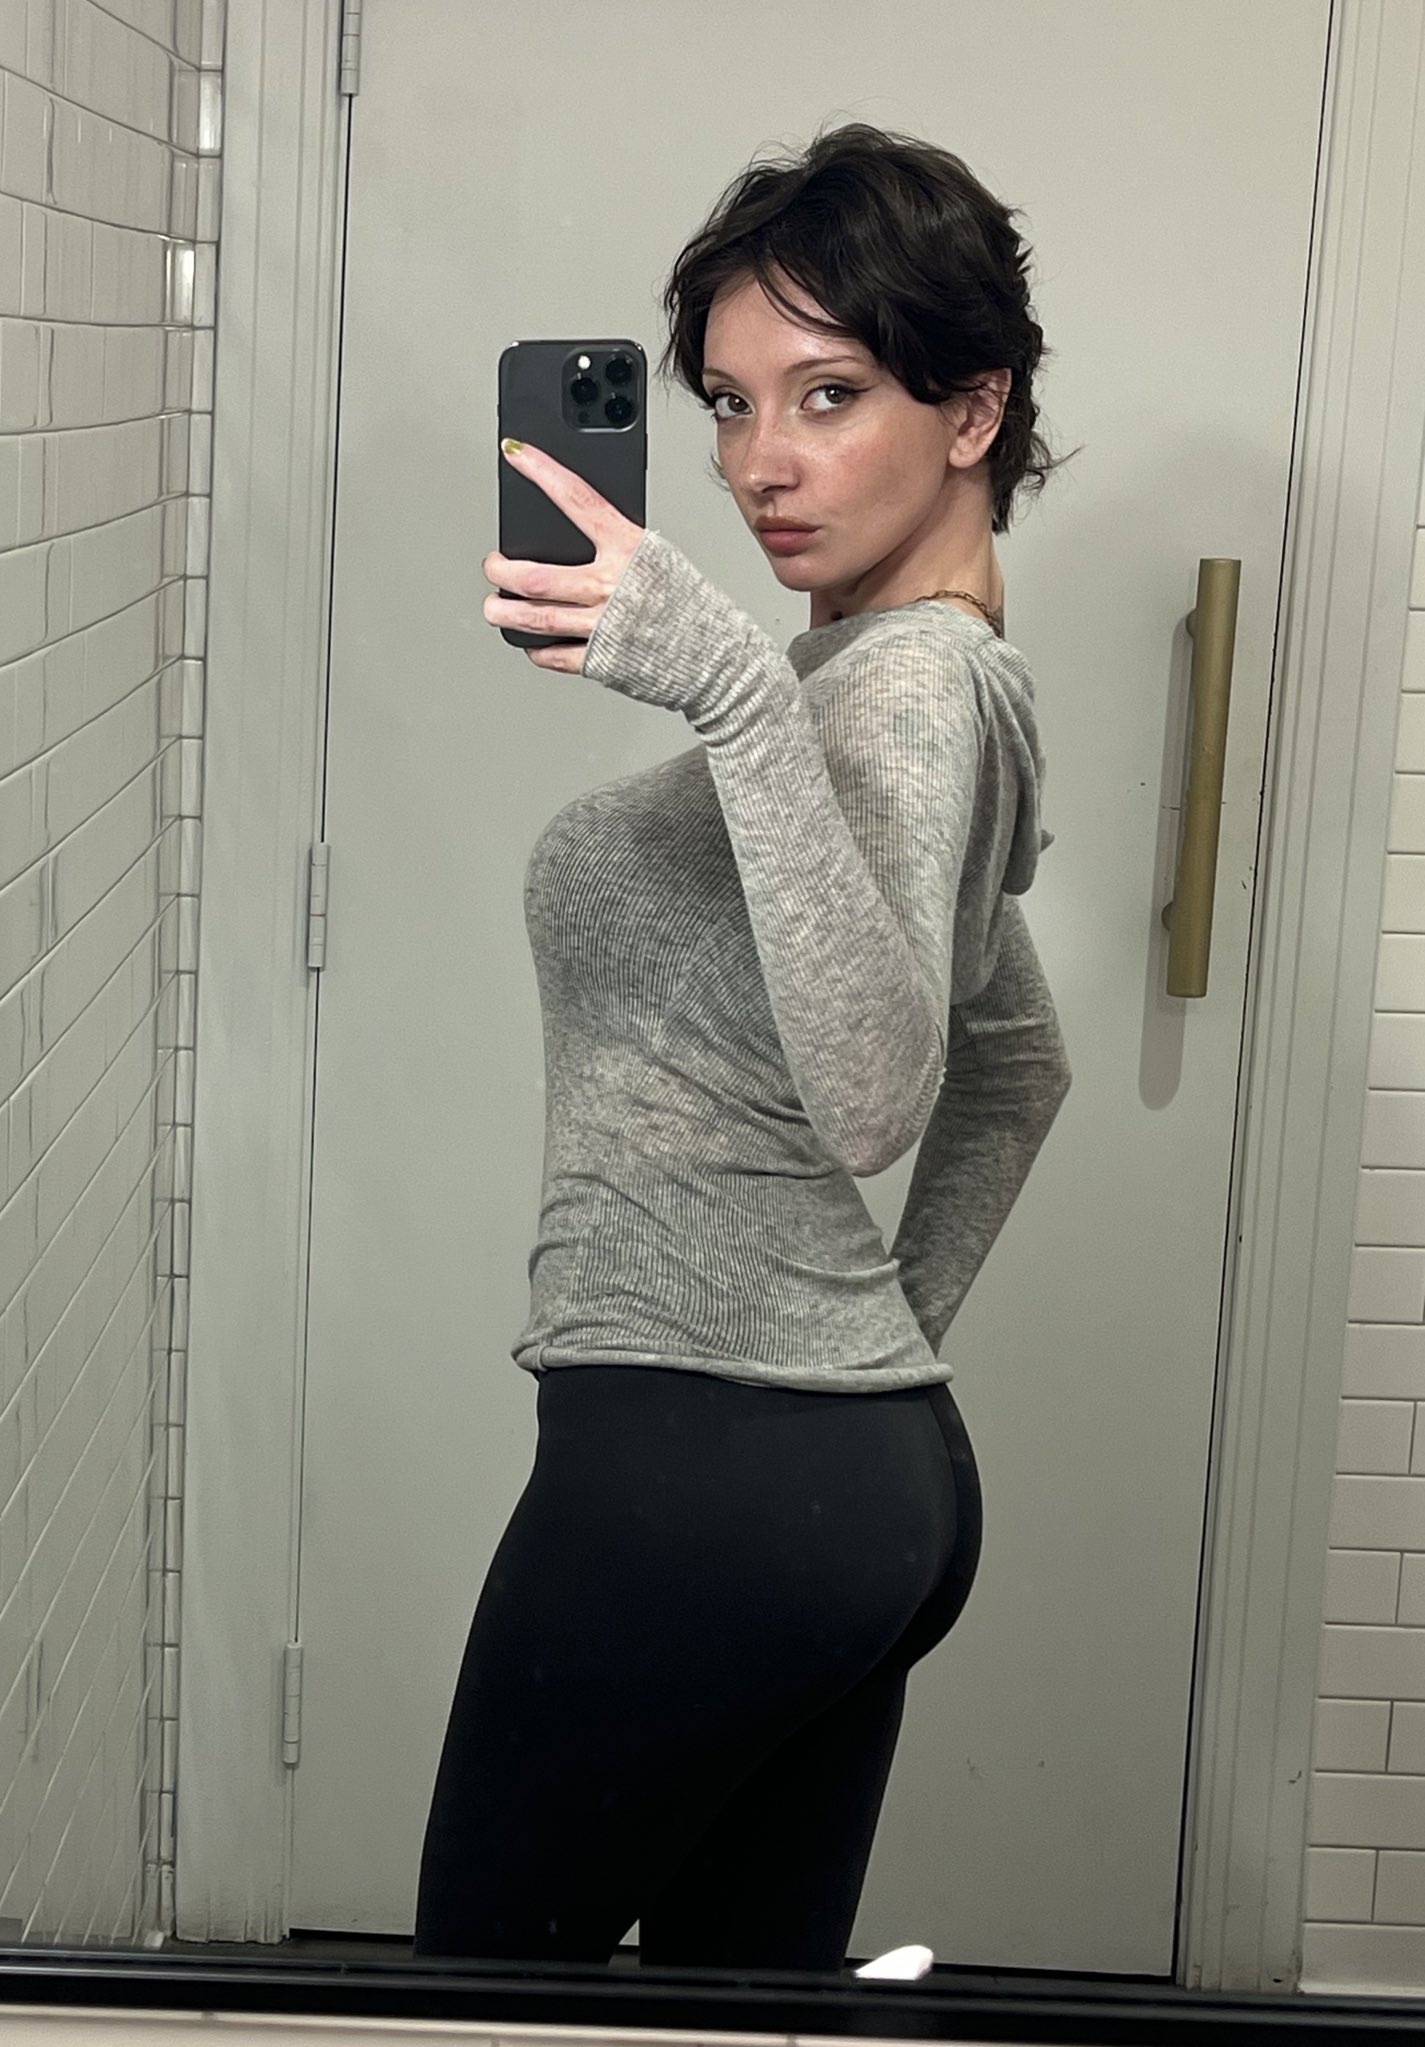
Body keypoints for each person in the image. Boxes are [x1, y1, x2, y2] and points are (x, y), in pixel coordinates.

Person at [412, 121, 1076, 1975]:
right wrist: (869, 1378)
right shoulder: (898, 674)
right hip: (825, 1474)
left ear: (970, 411)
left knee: (482, 2001)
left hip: (702, 1475)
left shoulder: (902, 690)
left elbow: (877, 1095)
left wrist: (719, 684)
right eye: (726, 401)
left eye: (828, 394)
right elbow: (1017, 1061)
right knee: (735, 2007)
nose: (757, 463)